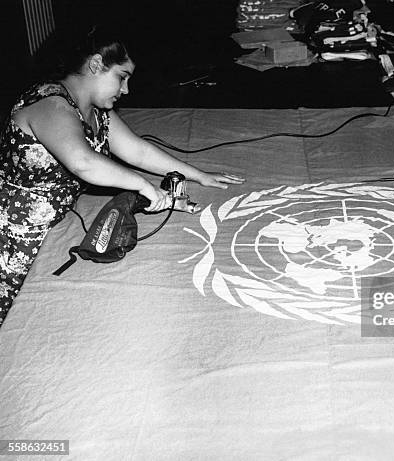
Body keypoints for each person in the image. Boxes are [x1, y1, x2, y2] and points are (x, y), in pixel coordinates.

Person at [0, 25, 245, 326]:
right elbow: (83, 162)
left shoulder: (92, 110)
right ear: (95, 65)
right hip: (12, 238)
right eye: (121, 77)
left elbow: (138, 152)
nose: (125, 91)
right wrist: (143, 185)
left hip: (48, 225)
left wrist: (198, 175)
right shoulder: (48, 103)